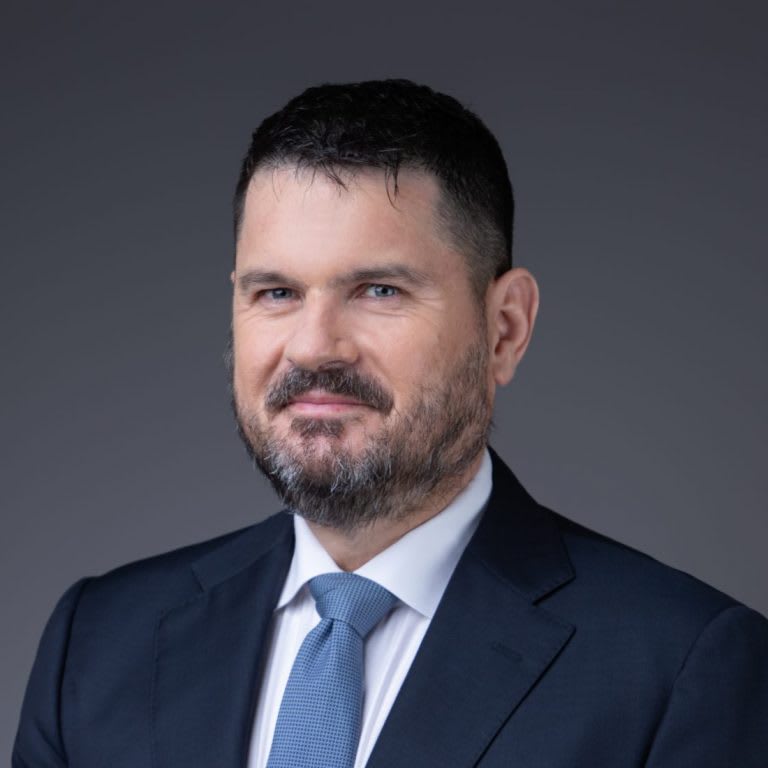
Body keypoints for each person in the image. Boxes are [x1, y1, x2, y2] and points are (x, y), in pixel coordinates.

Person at [14, 79, 768, 768]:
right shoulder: (99, 642)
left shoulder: (680, 670)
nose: (313, 347)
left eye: (378, 290)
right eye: (276, 293)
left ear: (504, 329)